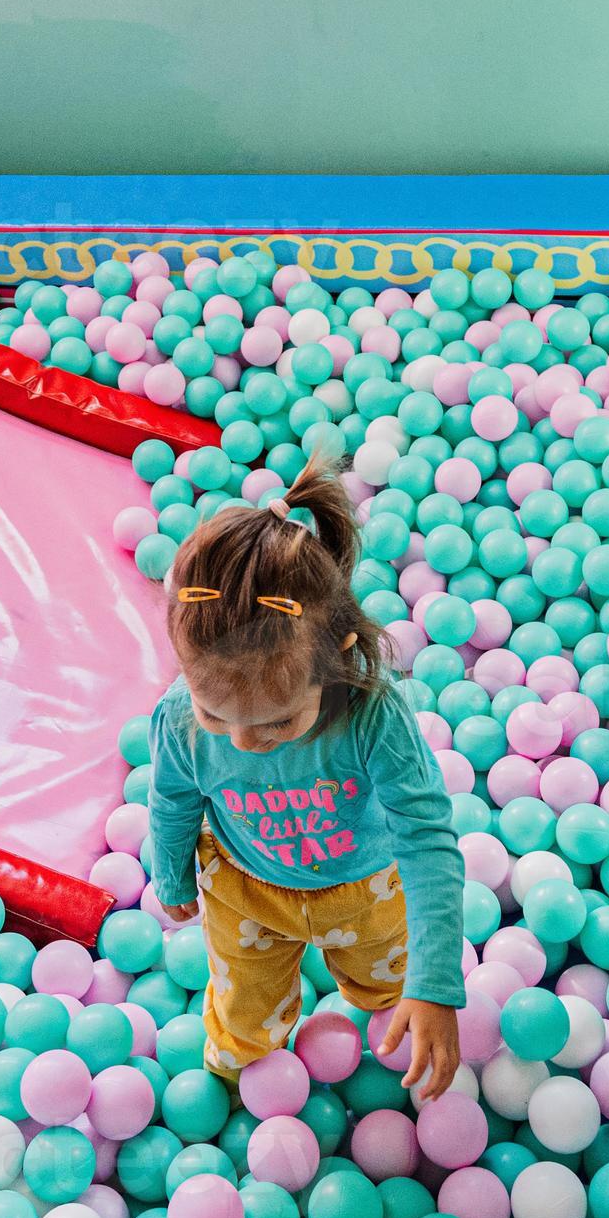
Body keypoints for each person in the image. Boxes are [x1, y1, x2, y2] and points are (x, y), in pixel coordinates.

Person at [145, 449, 465, 1098]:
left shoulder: (372, 714)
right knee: (243, 1012)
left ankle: (388, 1013)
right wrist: (171, 869)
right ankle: (239, 1065)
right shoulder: (180, 714)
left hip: (366, 891)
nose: (242, 743)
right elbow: (173, 799)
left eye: (275, 724)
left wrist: (434, 987)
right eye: (216, 713)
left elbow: (427, 841)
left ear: (338, 661)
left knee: (387, 988)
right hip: (246, 893)